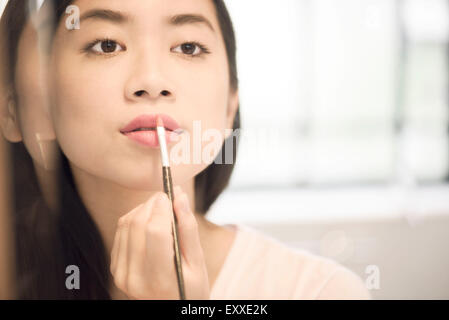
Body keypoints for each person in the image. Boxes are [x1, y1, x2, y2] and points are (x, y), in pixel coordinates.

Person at [0, 0, 371, 300]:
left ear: (230, 106)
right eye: (107, 45)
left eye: (188, 47)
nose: (152, 82)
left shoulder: (318, 291)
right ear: (19, 109)